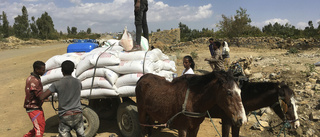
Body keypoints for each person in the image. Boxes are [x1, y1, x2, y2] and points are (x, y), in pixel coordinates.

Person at [40, 60, 84, 137]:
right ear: (73, 70)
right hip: (78, 113)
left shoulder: (57, 84)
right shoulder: (78, 82)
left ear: (62, 70)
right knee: (81, 134)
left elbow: (42, 97)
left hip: (65, 115)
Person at [24, 61, 46, 137]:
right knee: (39, 129)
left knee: (40, 125)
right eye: (42, 70)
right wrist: (48, 95)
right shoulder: (34, 81)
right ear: (37, 70)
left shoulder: (33, 78)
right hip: (33, 108)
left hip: (36, 107)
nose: (44, 71)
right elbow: (40, 96)